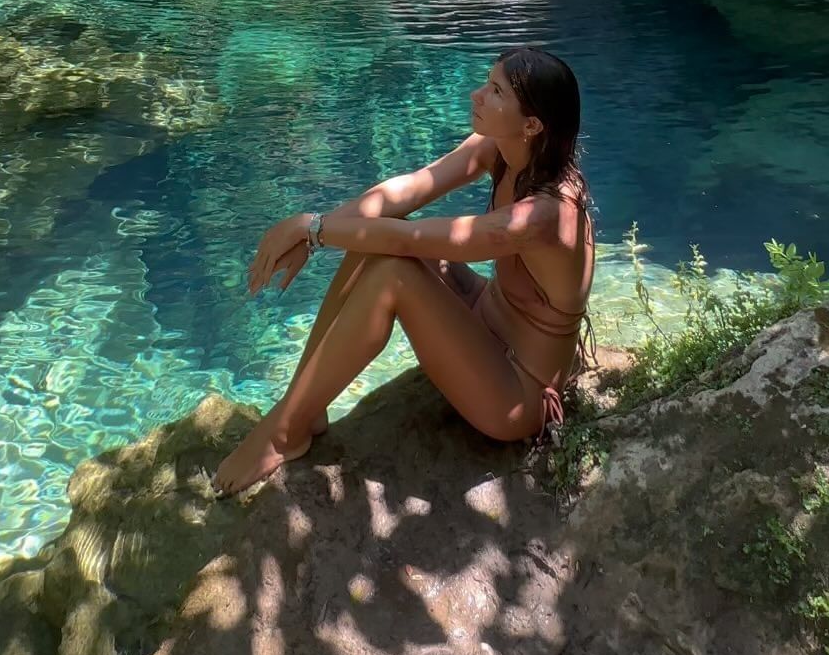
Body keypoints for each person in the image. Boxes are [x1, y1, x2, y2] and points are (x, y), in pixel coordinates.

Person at [214, 44, 595, 495]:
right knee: (380, 235)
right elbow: (405, 192)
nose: (476, 95)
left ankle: (283, 435)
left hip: (515, 391)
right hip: (486, 319)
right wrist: (311, 239)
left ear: (531, 125)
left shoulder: (547, 217)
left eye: (494, 91)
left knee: (392, 271)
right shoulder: (503, 150)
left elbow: (410, 241)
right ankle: (301, 406)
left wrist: (311, 229)